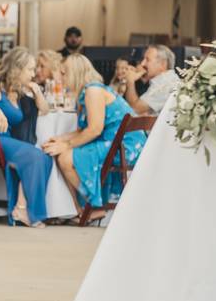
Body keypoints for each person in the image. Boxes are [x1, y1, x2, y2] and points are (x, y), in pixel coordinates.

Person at [43, 54, 146, 218]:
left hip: (124, 146)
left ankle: (94, 206)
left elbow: (94, 130)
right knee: (60, 152)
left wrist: (67, 145)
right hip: (113, 142)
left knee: (65, 158)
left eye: (64, 73)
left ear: (74, 74)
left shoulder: (93, 91)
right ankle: (79, 208)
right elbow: (83, 130)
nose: (61, 78)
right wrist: (60, 138)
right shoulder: (86, 92)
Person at [0, 47, 53, 228]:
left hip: (7, 144)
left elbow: (45, 110)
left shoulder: (21, 94)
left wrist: (37, 93)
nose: (34, 73)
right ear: (17, 68)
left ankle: (21, 208)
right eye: (30, 69)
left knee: (45, 158)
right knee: (35, 156)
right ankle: (29, 213)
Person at [123, 45, 179, 116]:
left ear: (162, 64)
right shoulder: (168, 80)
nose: (142, 64)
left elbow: (134, 109)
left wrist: (130, 81)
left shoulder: (164, 85)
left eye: (147, 60)